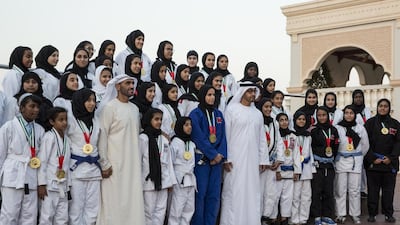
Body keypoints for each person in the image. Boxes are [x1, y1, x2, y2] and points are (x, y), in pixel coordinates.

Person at [96, 75, 145, 225]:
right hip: (114, 165)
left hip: (132, 165)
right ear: (117, 87)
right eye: (127, 83)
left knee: (132, 201)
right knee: (113, 202)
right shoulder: (109, 108)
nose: (131, 86)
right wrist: (104, 163)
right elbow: (102, 136)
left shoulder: (135, 109)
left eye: (132, 83)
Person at [220, 82, 269, 225]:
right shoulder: (231, 110)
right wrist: (226, 158)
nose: (253, 94)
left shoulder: (257, 114)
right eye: (249, 91)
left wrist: (263, 160)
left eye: (254, 91)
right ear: (242, 92)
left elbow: (261, 139)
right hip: (234, 160)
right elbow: (226, 136)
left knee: (252, 192)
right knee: (233, 192)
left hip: (253, 160)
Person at [0, 93, 45, 225]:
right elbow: (1, 154)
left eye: (37, 107)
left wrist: (41, 182)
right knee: (9, 214)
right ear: (21, 108)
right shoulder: (8, 127)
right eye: (32, 106)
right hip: (12, 175)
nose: (35, 110)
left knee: (29, 216)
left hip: (31, 175)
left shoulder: (40, 130)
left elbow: (42, 159)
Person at [189, 85, 227, 225]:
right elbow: (198, 136)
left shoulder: (218, 114)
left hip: (217, 162)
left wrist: (220, 155)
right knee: (200, 195)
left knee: (214, 196)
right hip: (202, 160)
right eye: (209, 95)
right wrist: (212, 155)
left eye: (213, 95)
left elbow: (223, 137)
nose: (212, 98)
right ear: (203, 96)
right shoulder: (195, 114)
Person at [68, 88, 102, 224]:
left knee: (93, 210)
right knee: (76, 210)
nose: (92, 104)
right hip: (77, 171)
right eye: (88, 100)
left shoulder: (96, 120)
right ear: (79, 101)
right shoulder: (70, 121)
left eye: (94, 100)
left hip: (94, 170)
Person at [364, 99, 399, 223]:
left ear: (389, 108)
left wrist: (391, 158)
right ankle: (372, 214)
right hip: (374, 164)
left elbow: (398, 143)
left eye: (385, 106)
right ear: (377, 107)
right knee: (373, 191)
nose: (383, 108)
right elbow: (365, 143)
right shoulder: (370, 123)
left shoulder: (395, 124)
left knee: (388, 192)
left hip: (389, 164)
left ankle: (388, 214)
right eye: (381, 106)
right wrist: (373, 158)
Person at [139, 108, 176, 225]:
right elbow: (139, 162)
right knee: (148, 212)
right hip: (148, 181)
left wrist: (171, 181)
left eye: (160, 119)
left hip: (164, 181)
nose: (159, 122)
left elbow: (169, 162)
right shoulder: (142, 138)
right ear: (149, 120)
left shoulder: (164, 139)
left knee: (161, 211)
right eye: (156, 119)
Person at [334, 105, 369, 224]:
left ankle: (355, 214)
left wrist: (357, 155)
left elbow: (365, 146)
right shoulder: (338, 128)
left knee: (354, 190)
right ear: (343, 114)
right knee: (340, 189)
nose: (349, 115)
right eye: (346, 113)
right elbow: (335, 144)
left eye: (351, 113)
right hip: (341, 160)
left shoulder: (360, 128)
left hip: (355, 161)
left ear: (355, 115)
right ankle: (340, 213)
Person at [37, 107, 71, 225]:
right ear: (52, 122)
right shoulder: (48, 137)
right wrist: (41, 184)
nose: (64, 122)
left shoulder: (67, 139)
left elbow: (67, 164)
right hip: (49, 185)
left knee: (62, 218)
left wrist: (69, 185)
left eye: (66, 119)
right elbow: (43, 161)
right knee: (47, 217)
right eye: (60, 120)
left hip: (63, 185)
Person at [310, 106, 340, 225]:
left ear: (328, 116)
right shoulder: (313, 130)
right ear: (316, 117)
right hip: (317, 165)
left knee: (329, 191)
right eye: (319, 115)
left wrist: (331, 158)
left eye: (324, 115)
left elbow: (336, 146)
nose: (322, 117)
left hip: (329, 166)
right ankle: (317, 216)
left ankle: (327, 216)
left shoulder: (333, 130)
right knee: (316, 191)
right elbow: (310, 147)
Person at [257, 98, 284, 225]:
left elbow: (279, 142)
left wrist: (279, 160)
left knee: (271, 192)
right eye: (265, 107)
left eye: (270, 107)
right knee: (259, 192)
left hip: (272, 164)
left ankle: (266, 216)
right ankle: (257, 215)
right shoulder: (257, 122)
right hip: (260, 165)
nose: (268, 109)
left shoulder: (274, 122)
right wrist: (261, 160)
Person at [168, 117, 196, 225]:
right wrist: (171, 180)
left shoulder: (192, 144)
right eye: (186, 125)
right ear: (180, 127)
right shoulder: (175, 143)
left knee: (189, 209)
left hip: (190, 179)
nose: (189, 127)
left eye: (190, 125)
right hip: (179, 178)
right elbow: (170, 162)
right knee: (176, 209)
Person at [291, 111, 316, 225]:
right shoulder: (292, 135)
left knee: (306, 195)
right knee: (295, 196)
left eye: (303, 119)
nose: (301, 121)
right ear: (295, 120)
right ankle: (294, 218)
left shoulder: (308, 136)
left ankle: (303, 218)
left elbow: (310, 152)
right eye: (299, 119)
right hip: (296, 168)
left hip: (306, 168)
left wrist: (312, 168)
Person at [274, 113, 298, 225]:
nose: (284, 122)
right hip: (278, 172)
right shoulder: (275, 135)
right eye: (281, 120)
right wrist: (277, 171)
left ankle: (284, 218)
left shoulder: (293, 136)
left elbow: (297, 155)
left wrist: (297, 171)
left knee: (287, 197)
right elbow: (276, 154)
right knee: (275, 196)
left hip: (290, 171)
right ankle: (273, 218)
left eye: (286, 120)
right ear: (277, 122)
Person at [351, 89, 371, 198]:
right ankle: (356, 189)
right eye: (356, 97)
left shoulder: (366, 110)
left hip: (366, 141)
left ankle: (363, 189)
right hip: (355, 142)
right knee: (357, 166)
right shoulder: (351, 110)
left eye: (360, 97)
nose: (358, 99)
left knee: (364, 167)